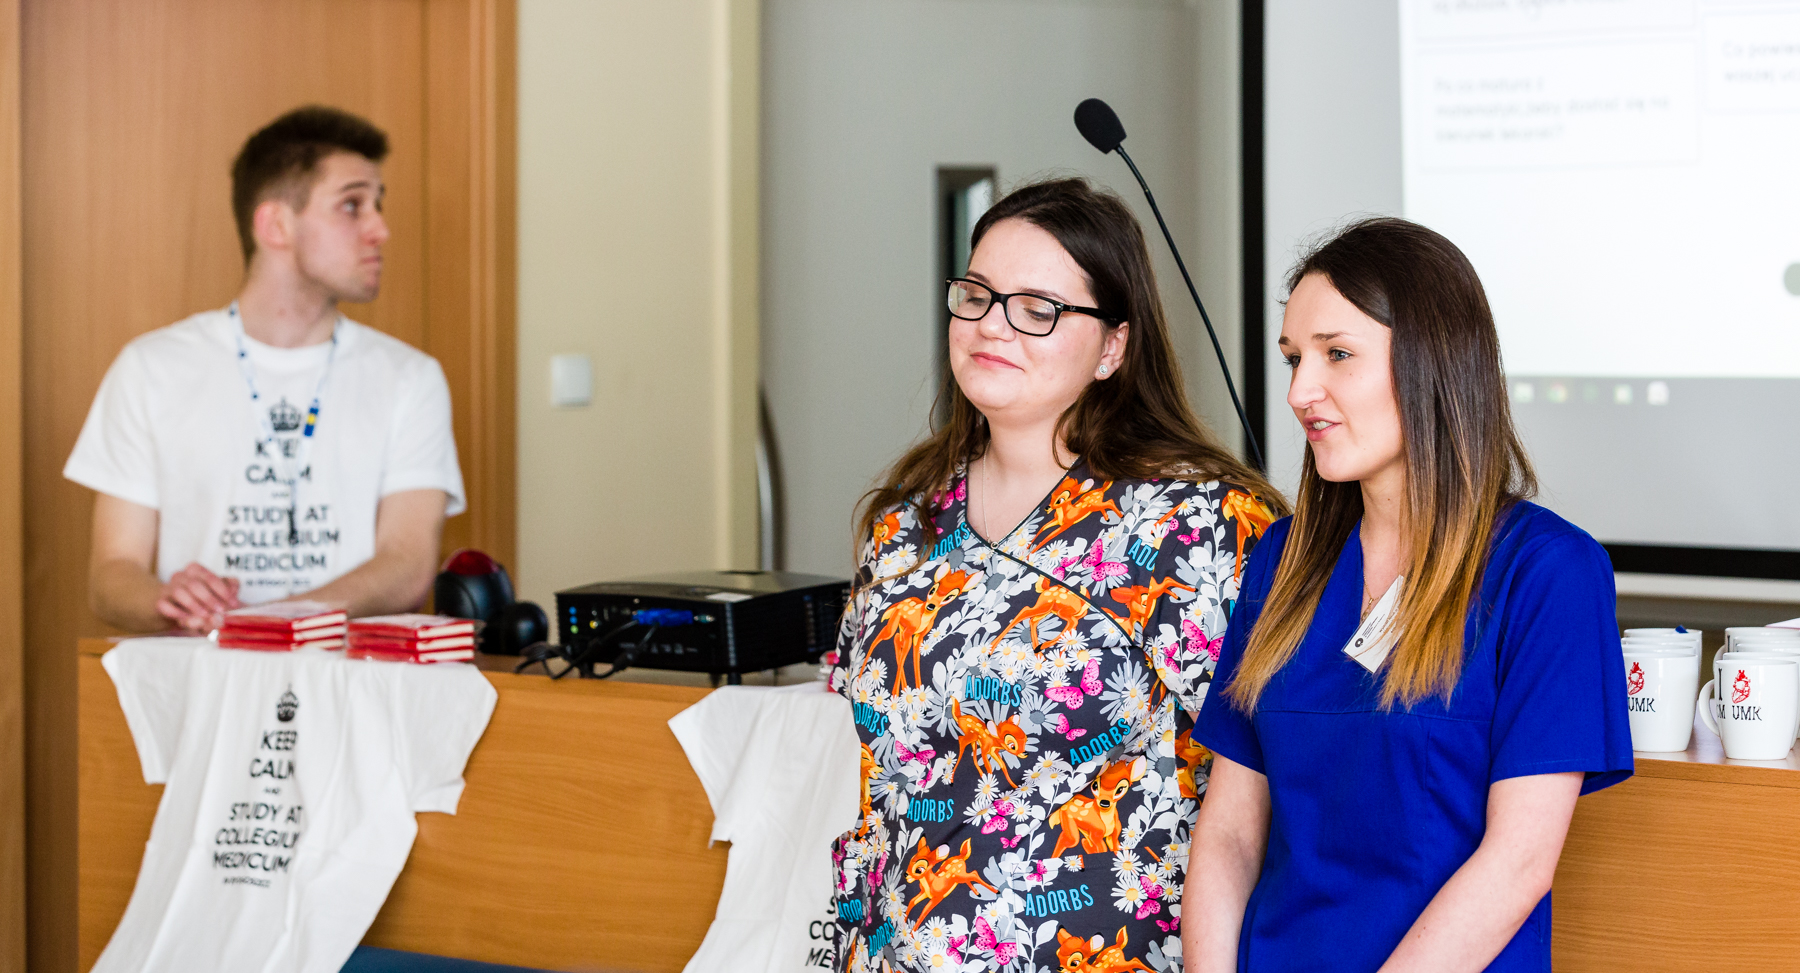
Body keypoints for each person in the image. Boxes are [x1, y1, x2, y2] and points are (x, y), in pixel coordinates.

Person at [827, 178, 1286, 973]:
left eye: (1038, 308)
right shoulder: (904, 522)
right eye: (976, 295)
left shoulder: (1201, 524)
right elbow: (865, 779)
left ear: (1112, 346)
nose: (991, 325)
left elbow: (1274, 787)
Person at [1185, 218, 1633, 972]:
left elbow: (1518, 861)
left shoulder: (1548, 572)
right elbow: (1229, 833)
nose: (1299, 391)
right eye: (1294, 358)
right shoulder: (1282, 562)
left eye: (1337, 354)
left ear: (1433, 361)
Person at [65, 105, 465, 633]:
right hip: (199, 677)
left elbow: (407, 565)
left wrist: (263, 626)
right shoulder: (150, 369)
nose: (380, 229)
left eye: (378, 205)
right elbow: (113, 573)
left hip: (349, 677)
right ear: (275, 224)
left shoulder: (410, 378)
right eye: (352, 205)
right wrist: (171, 601)